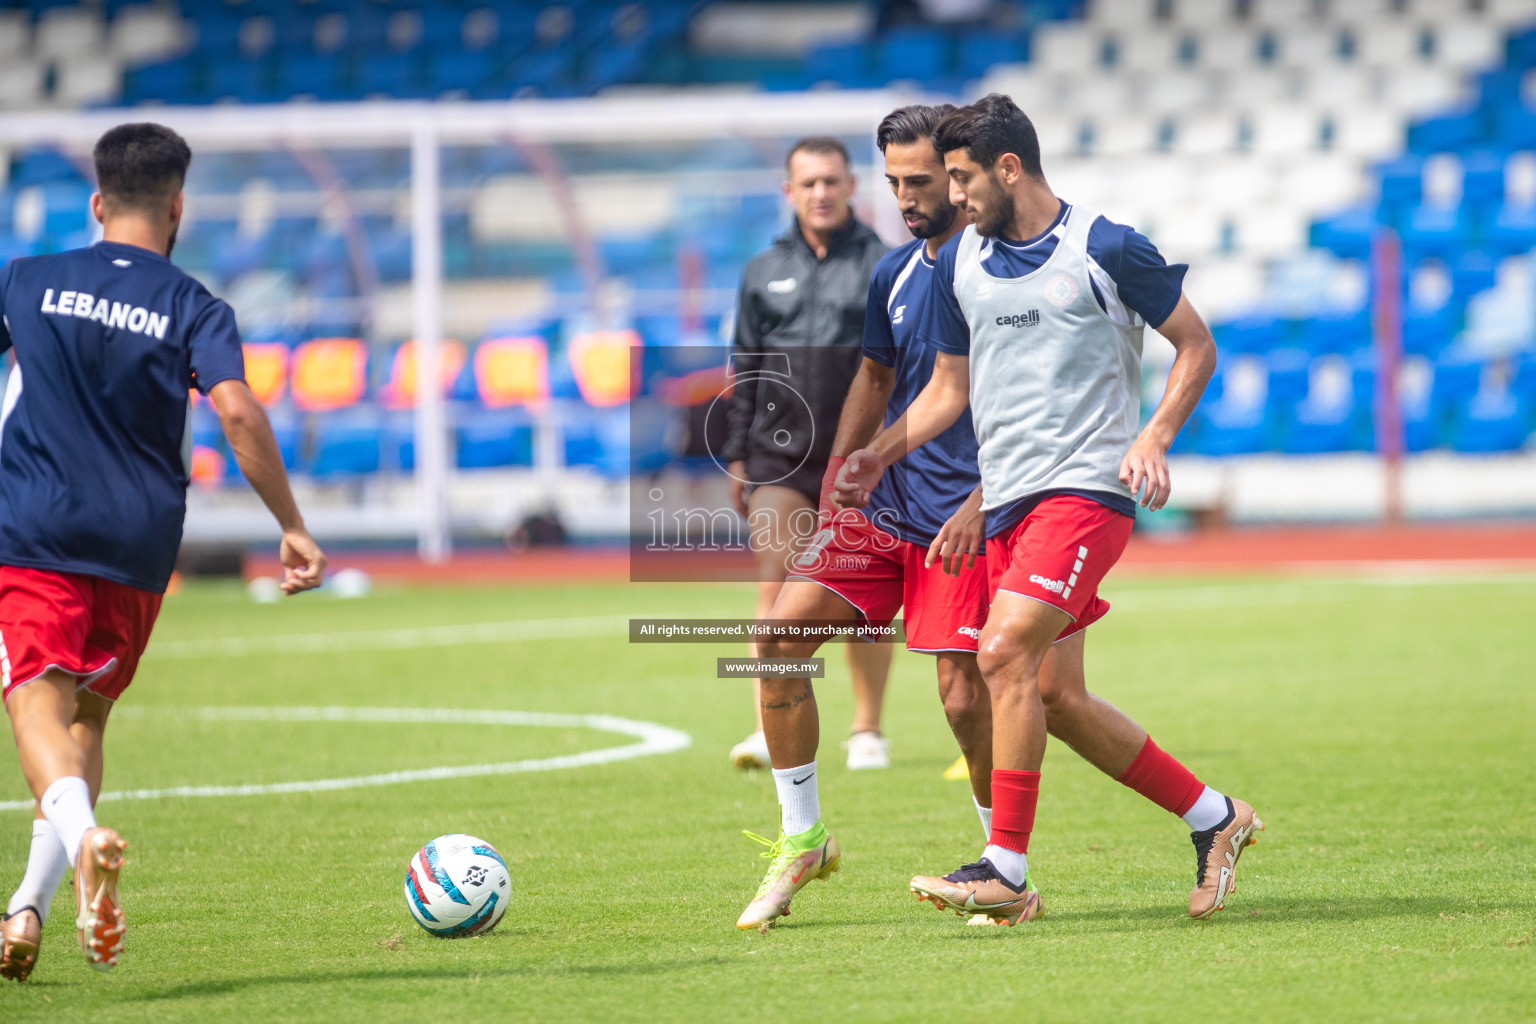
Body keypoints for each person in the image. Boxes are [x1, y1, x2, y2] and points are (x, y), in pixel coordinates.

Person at [837, 94, 1262, 926]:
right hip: (1007, 504)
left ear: (1007, 169)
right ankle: (1217, 818)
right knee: (1058, 699)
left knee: (1000, 656)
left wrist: (1156, 436)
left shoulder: (1103, 247)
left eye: (960, 178)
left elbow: (1197, 343)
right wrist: (876, 453)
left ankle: (1006, 871)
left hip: (1087, 492)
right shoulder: (961, 265)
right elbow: (947, 393)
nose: (951, 196)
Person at [0, 123, 326, 980]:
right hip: (140, 544)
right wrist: (291, 525)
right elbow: (239, 413)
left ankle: (85, 840)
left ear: (97, 202)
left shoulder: (27, 281)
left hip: (35, 528)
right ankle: (28, 908)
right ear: (178, 206)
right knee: (88, 717)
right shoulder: (195, 306)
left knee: (36, 704)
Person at [735, 104, 1005, 932]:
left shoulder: (997, 270)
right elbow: (876, 378)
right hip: (884, 508)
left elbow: (1009, 398)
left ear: (958, 176)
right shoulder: (892, 272)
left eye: (919, 180)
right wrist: (844, 470)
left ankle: (1004, 860)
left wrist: (984, 496)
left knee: (962, 697)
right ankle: (803, 837)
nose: (905, 197)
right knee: (776, 642)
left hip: (962, 515)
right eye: (893, 183)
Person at [722, 136, 894, 772]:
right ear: (788, 192)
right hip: (780, 463)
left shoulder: (885, 264)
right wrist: (737, 456)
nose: (820, 193)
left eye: (831, 181)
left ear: (851, 186)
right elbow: (746, 367)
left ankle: (868, 729)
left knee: (860, 595)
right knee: (780, 583)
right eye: (808, 183)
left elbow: (898, 369)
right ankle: (770, 726)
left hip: (861, 461)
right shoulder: (761, 270)